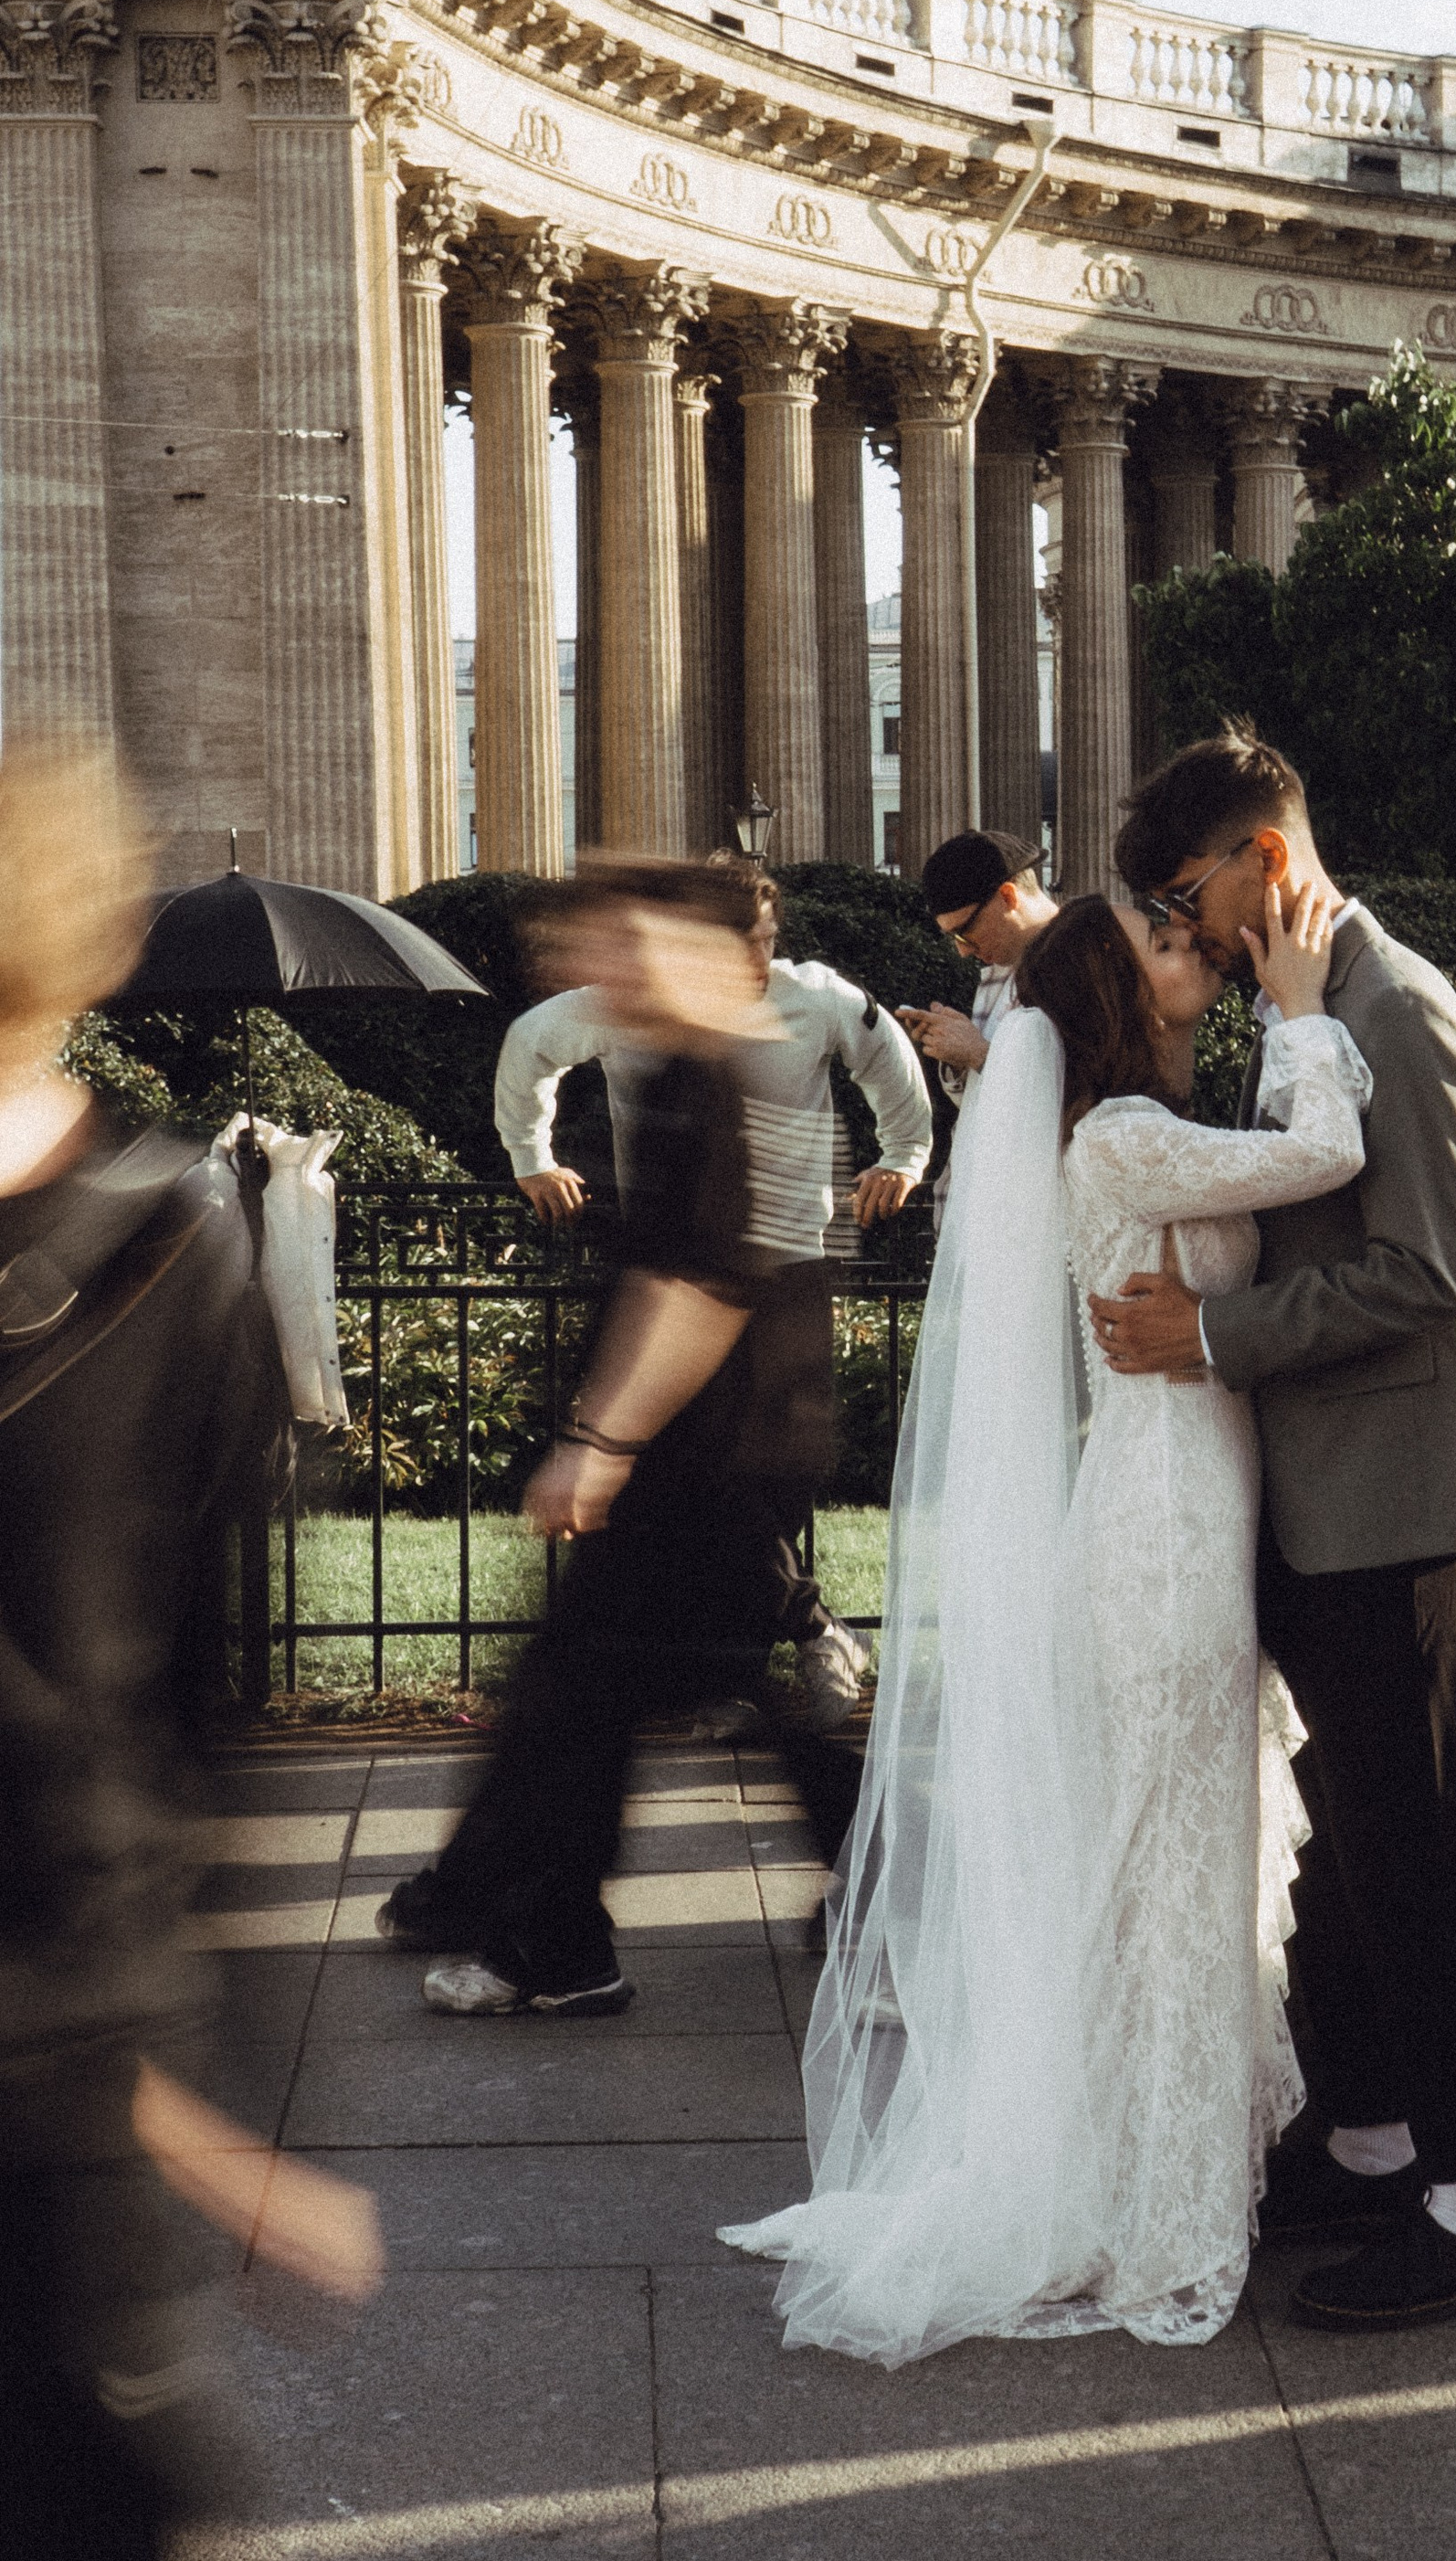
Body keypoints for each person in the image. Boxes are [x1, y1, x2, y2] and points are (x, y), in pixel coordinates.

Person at [720, 882, 1368, 2359]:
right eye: (1162, 941)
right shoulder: (1126, 1138)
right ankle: (1156, 2207)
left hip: (1166, 1506)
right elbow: (1327, 1148)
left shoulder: (1121, 1132)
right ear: (1108, 994)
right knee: (1168, 1870)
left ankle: (1152, 2170)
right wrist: (1309, 1007)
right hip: (1164, 1527)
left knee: (1163, 1865)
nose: (1189, 944)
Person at [0, 745, 381, 2561]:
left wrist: (194, 2094)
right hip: (81, 2087)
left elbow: (189, 1732)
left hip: (56, 2085)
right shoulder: (176, 1234)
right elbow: (209, 1737)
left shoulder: (162, 1244)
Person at [1098, 728, 1456, 2333]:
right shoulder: (1311, 1010)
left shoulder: (1395, 1009)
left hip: (1393, 1504)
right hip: (1321, 1497)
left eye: (1180, 890)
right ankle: (1367, 2141)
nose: (1179, 924)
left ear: (1260, 863)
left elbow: (1418, 1275)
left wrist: (1210, 1341)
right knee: (1348, 1859)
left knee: (1419, 1857)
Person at [382, 859, 870, 2016]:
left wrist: (600, 1441)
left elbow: (698, 1287)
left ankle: (551, 1940)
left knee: (590, 1695)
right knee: (616, 1699)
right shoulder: (698, 1067)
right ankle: (546, 1937)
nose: (583, 967)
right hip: (714, 1447)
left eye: (612, 945)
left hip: (702, 1454)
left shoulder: (714, 1075)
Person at [493, 856, 930, 1728]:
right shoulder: (630, 1020)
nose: (760, 960)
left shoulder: (816, 1001)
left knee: (750, 1493)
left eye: (769, 942)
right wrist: (531, 1157)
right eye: (745, 943)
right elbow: (530, 1046)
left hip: (792, 1268)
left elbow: (890, 1062)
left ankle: (766, 1665)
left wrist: (903, 1154)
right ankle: (759, 1667)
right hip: (692, 1276)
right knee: (708, 1492)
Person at [896, 826, 1058, 1095]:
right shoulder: (998, 973)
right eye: (954, 938)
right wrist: (959, 1056)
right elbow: (984, 1109)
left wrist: (979, 1054)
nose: (963, 951)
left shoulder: (1087, 957)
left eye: (965, 931)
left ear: (1008, 896)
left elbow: (1090, 1093)